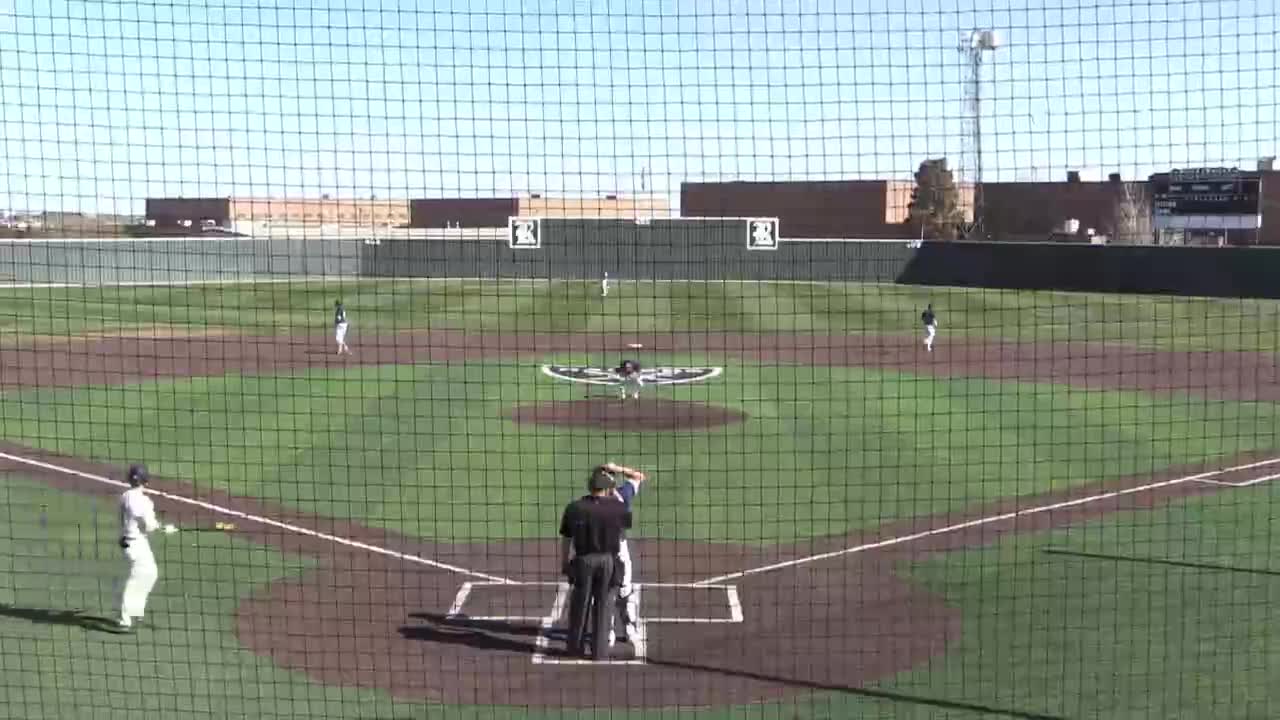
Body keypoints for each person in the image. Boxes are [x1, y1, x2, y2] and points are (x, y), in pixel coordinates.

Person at [559, 466, 631, 660]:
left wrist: (565, 563)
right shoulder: (619, 508)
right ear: (608, 488)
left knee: (579, 605)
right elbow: (622, 535)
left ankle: (575, 649)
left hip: (583, 561)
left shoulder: (574, 507)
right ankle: (600, 653)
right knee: (605, 605)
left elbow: (567, 539)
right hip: (608, 561)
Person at [117, 464, 178, 630]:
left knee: (151, 573)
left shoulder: (125, 495)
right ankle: (125, 619)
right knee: (138, 576)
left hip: (130, 541)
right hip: (135, 543)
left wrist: (158, 526)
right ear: (146, 481)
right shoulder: (144, 501)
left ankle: (135, 610)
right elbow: (149, 526)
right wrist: (165, 528)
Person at [604, 462, 646, 646]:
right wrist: (619, 468)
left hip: (603, 552)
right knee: (621, 591)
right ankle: (622, 629)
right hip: (617, 551)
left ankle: (612, 631)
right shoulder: (622, 494)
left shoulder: (590, 501)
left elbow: (639, 476)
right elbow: (639, 475)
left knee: (610, 591)